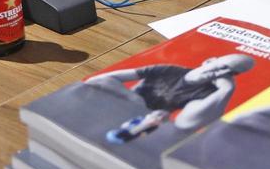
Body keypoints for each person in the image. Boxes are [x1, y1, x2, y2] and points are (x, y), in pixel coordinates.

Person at [93, 53, 255, 142]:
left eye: (232, 73)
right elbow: (106, 78)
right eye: (224, 66)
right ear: (209, 61)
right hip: (121, 104)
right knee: (110, 84)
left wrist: (226, 90)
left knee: (170, 122)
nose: (223, 73)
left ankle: (129, 132)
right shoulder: (169, 70)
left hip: (147, 123)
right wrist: (133, 99)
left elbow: (188, 123)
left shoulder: (208, 94)